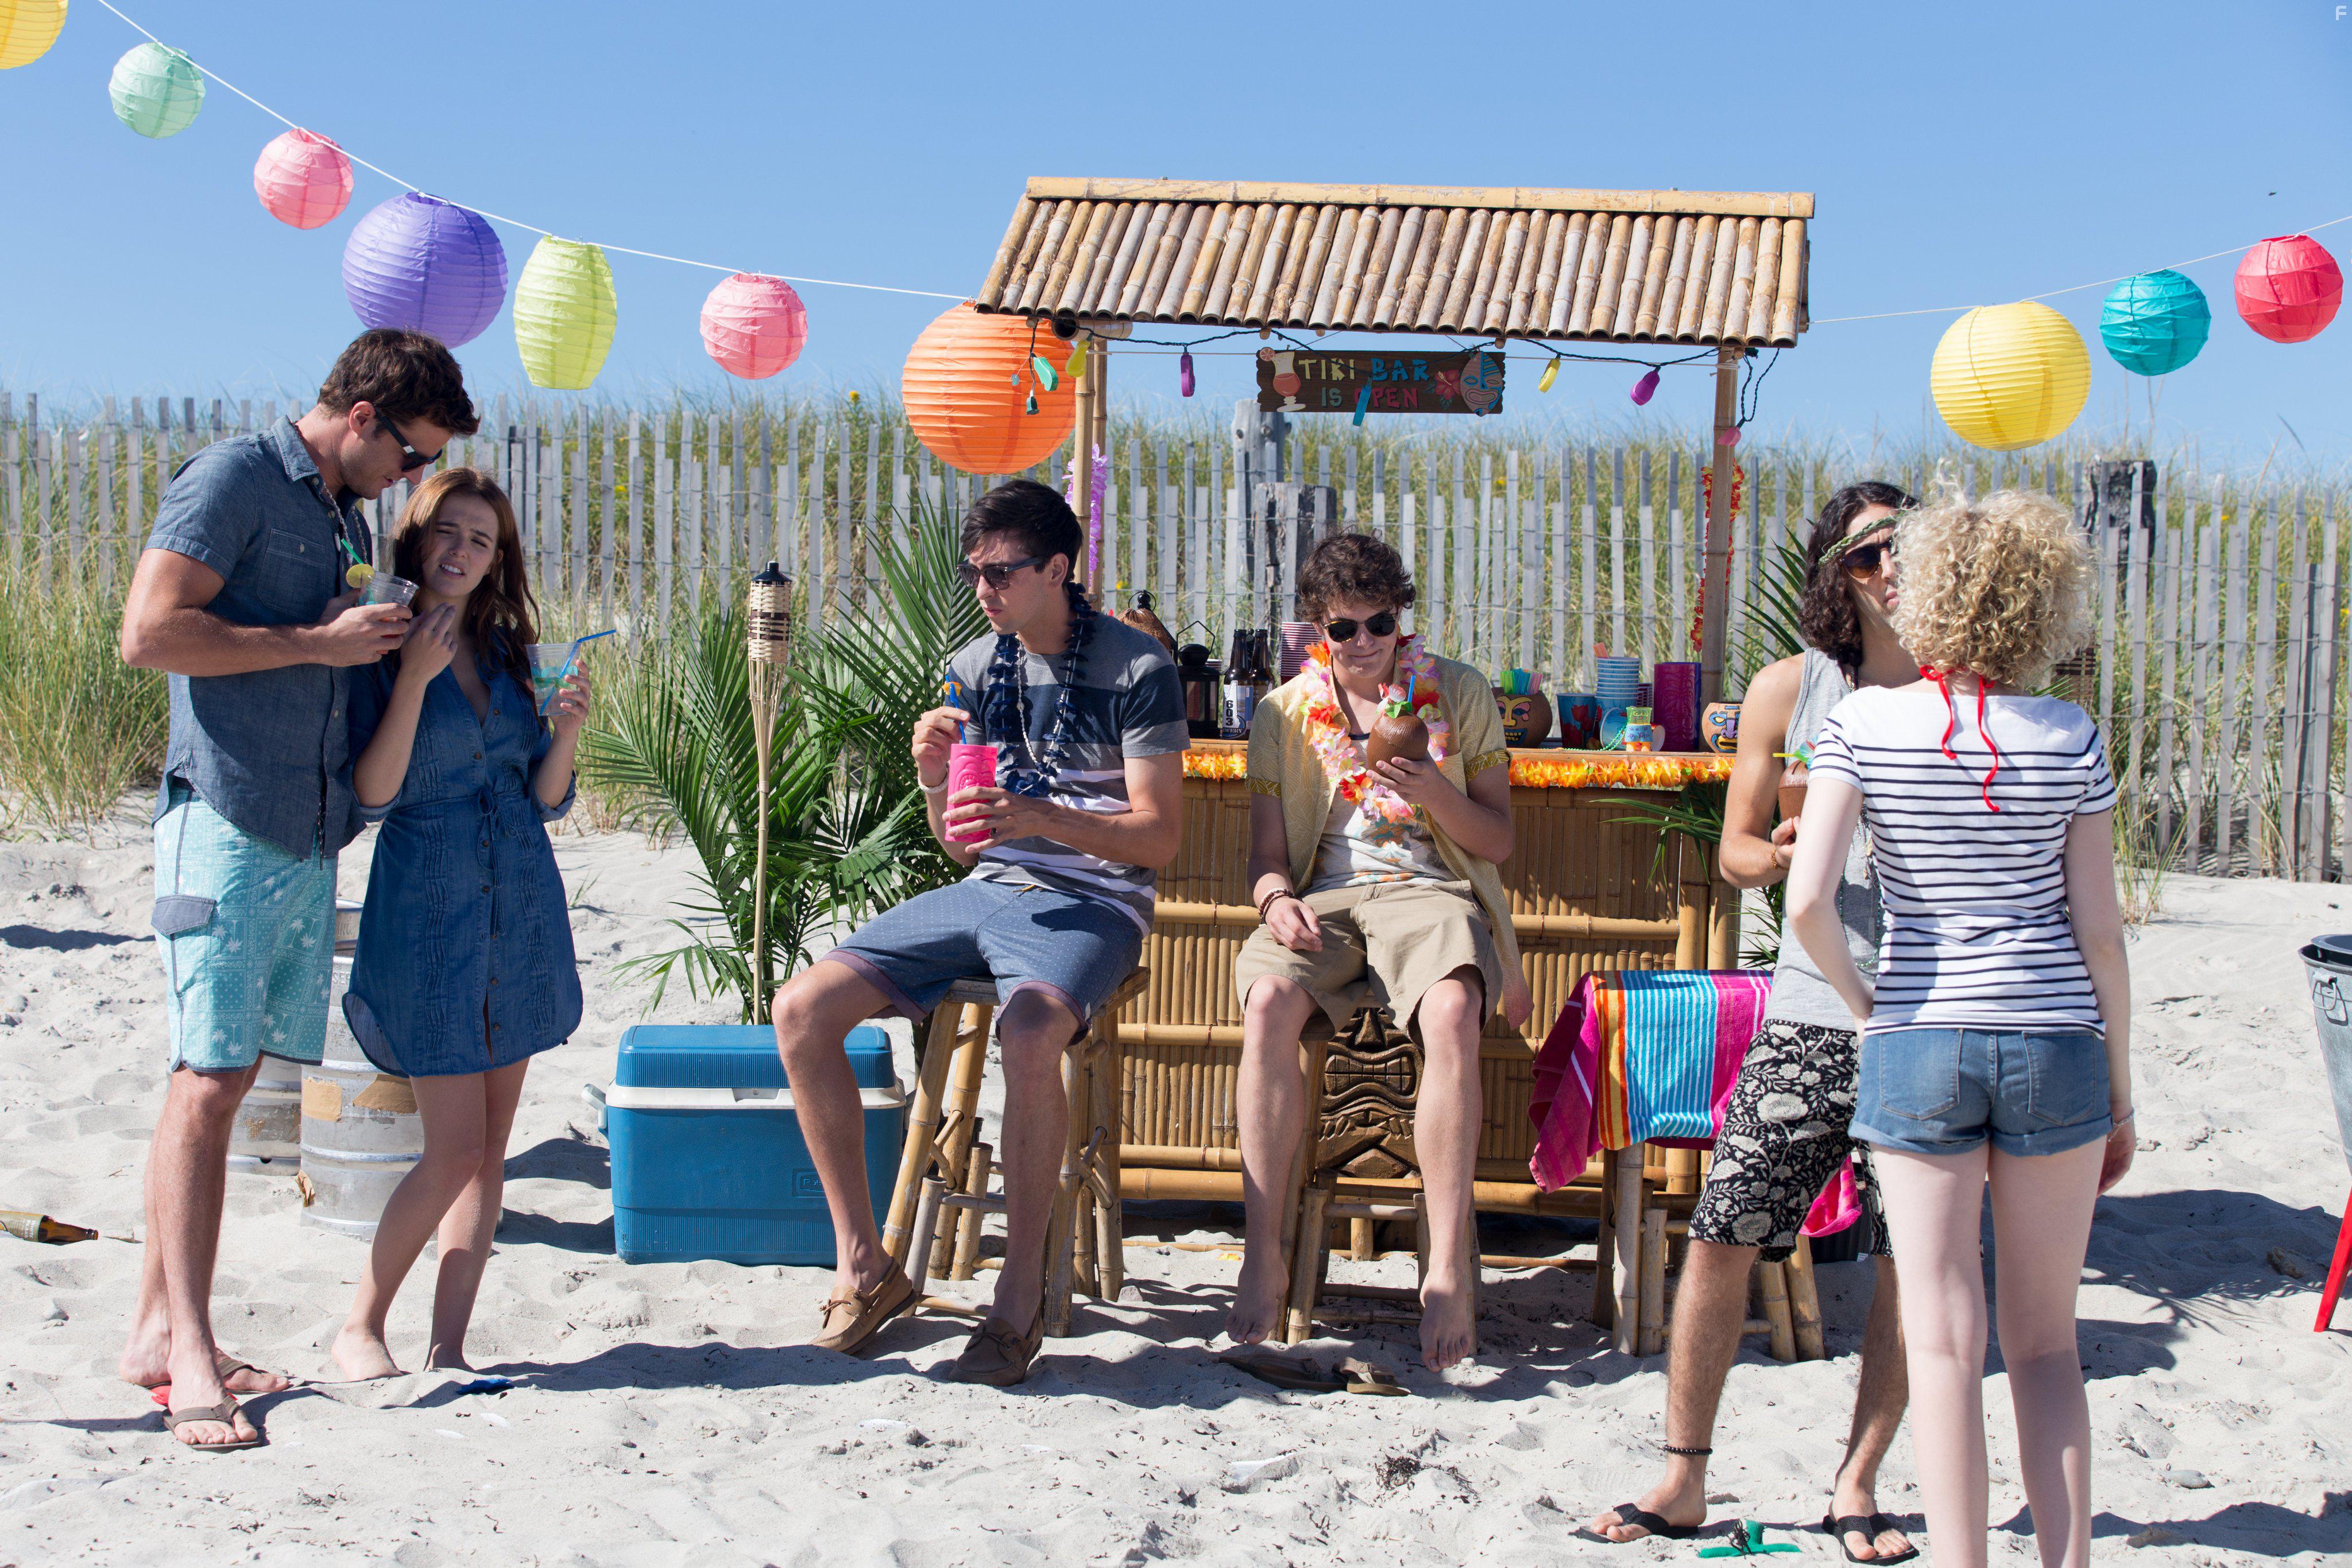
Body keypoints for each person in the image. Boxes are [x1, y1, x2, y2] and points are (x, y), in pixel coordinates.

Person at [115, 329, 478, 1450]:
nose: (413, 478)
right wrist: (319, 644)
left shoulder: (341, 513)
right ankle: (188, 1358)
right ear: (364, 416)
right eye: (411, 453)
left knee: (219, 1082)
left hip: (304, 834)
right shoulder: (234, 477)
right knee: (208, 1082)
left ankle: (150, 1332)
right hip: (222, 820)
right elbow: (148, 632)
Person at [771, 479, 1187, 1387]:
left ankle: (1017, 1300)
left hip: (1097, 899)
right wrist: (931, 780)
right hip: (992, 884)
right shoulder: (974, 666)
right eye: (975, 572)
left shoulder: (1138, 669)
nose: (983, 589)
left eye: (1001, 572)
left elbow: (1159, 838)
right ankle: (865, 1266)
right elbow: (960, 838)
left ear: (1058, 569)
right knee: (800, 1009)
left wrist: (1043, 816)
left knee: (1032, 1030)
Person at [1786, 490, 2133, 1568]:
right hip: (2055, 1042)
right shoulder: (2069, 733)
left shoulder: (1861, 725)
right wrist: (2121, 1091)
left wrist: (1867, 1006)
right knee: (2046, 1346)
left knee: (1942, 1343)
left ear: (1924, 592)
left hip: (1920, 1036)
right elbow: (2102, 935)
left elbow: (1807, 903)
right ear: (2041, 605)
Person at [1591, 483, 1921, 1560]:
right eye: (1869, 553)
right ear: (1837, 574)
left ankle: (1858, 1481)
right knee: (1725, 1223)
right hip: (1818, 1004)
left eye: (1904, 547)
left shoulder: (1960, 688)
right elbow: (1732, 850)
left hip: (1929, 1013)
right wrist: (1779, 856)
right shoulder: (1790, 691)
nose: (1891, 568)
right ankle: (1683, 1476)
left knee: (1912, 1259)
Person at [1223, 532, 1533, 1371]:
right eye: (1343, 628)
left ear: (1404, 620)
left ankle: (1443, 1270)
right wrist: (1274, 899)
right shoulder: (1284, 712)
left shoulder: (1456, 693)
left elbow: (1497, 842)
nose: (1363, 643)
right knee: (1268, 1008)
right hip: (1322, 899)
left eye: (1379, 623)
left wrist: (1436, 791)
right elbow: (1263, 855)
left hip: (1431, 892)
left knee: (1457, 1010)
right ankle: (1263, 1250)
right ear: (1317, 631)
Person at [329, 468, 590, 1380]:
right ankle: (359, 1326)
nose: (463, 552)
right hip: (430, 914)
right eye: (449, 533)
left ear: (498, 559)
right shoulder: (379, 639)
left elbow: (545, 800)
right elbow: (372, 793)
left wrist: (564, 730)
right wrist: (413, 681)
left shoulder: (511, 649)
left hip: (518, 910)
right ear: (419, 538)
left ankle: (449, 1346)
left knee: (487, 1153)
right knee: (450, 1152)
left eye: (482, 541)